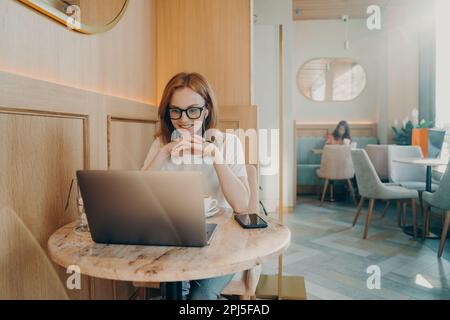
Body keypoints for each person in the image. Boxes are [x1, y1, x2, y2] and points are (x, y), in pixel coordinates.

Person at [141, 72, 250, 300]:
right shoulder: (160, 145)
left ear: (206, 110)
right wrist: (163, 153)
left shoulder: (228, 144)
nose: (183, 119)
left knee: (200, 296)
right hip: (172, 240)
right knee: (173, 291)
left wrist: (214, 156)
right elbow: (137, 199)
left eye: (193, 110)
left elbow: (241, 204)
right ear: (167, 111)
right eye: (176, 111)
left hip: (221, 243)